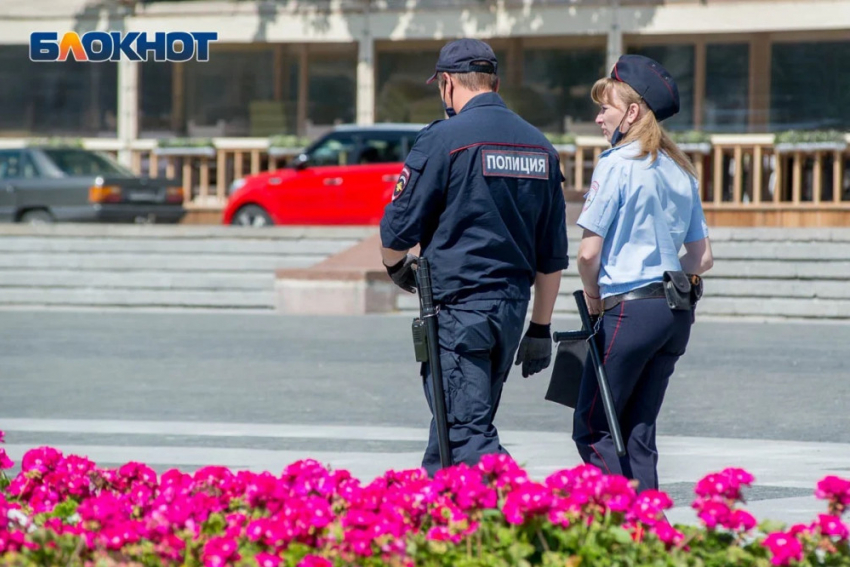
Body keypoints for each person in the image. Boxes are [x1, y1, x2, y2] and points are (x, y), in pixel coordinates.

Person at [378, 38, 569, 476]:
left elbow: (396, 230)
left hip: (458, 310)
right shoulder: (540, 146)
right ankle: (436, 525)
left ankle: (531, 510)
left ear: (446, 84)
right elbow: (552, 255)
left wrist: (395, 267)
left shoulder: (443, 138)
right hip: (511, 311)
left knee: (465, 433)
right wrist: (540, 327)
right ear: (495, 83)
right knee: (451, 431)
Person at [572, 54, 714, 492]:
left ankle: (619, 524)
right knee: (639, 432)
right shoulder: (679, 169)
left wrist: (593, 299)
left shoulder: (617, 163)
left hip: (629, 311)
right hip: (673, 313)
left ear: (632, 113)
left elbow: (587, 253)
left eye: (606, 108)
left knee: (594, 427)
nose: (598, 118)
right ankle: (649, 530)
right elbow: (702, 257)